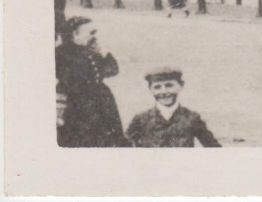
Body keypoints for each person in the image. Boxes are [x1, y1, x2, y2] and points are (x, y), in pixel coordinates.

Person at [55, 17, 128, 147]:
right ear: (75, 35)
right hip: (77, 102)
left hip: (102, 101)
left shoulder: (92, 50)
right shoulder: (62, 53)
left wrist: (103, 53)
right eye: (90, 32)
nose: (94, 36)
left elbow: (112, 70)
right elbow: (70, 78)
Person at [125, 67, 221, 147]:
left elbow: (214, 148)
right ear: (150, 89)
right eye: (157, 87)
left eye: (169, 85)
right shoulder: (141, 119)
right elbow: (122, 148)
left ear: (181, 86)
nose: (163, 92)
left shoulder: (192, 118)